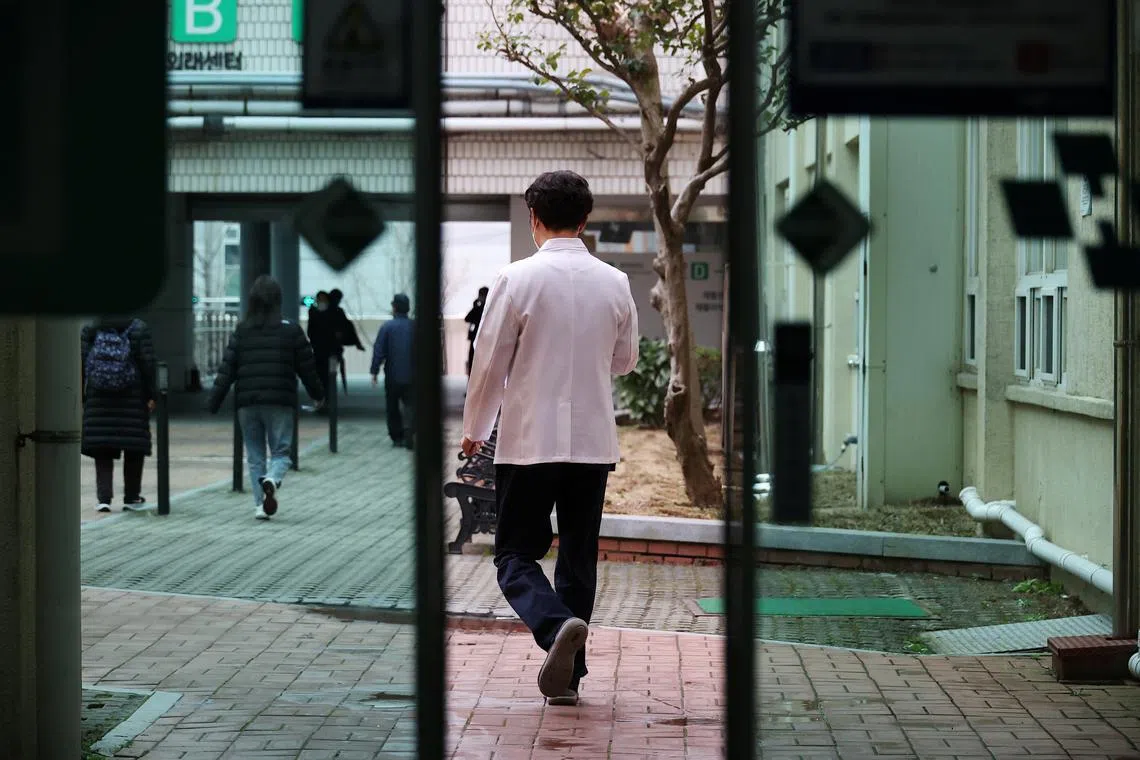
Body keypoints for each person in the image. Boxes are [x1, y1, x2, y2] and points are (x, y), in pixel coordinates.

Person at [461, 170, 639, 706]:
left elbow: (488, 365)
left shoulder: (515, 279)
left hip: (528, 441)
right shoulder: (616, 282)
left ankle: (553, 624)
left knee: (514, 553)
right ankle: (570, 676)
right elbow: (626, 361)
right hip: (592, 444)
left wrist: (474, 431)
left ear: (534, 218)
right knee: (578, 559)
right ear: (585, 219)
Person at [209, 275, 325, 520]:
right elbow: (307, 368)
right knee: (281, 453)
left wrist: (214, 401)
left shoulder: (242, 330)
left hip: (247, 403)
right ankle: (273, 479)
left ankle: (260, 506)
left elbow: (227, 369)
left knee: (254, 456)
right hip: (280, 402)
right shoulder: (291, 330)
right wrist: (318, 395)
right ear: (278, 301)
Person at [81, 316, 158, 512]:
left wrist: (82, 394)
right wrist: (152, 394)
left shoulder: (92, 328)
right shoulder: (138, 328)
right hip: (132, 396)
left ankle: (104, 499)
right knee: (133, 448)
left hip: (99, 397)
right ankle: (131, 497)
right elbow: (147, 364)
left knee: (103, 449)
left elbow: (81, 362)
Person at [371, 293, 415, 449]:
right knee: (411, 404)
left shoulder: (387, 327)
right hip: (412, 376)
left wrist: (374, 371)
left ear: (394, 307)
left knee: (392, 407)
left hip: (393, 376)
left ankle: (397, 436)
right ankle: (410, 430)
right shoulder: (415, 326)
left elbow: (379, 351)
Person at [306, 290, 337, 405]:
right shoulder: (313, 312)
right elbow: (310, 331)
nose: (322, 302)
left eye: (324, 300)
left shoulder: (332, 313)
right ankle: (320, 398)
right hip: (318, 350)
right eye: (320, 300)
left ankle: (327, 399)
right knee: (319, 375)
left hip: (330, 351)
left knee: (329, 377)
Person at [465, 286, 490, 376]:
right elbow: (467, 318)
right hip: (474, 337)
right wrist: (475, 306)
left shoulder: (488, 308)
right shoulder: (477, 308)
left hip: (484, 339)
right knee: (472, 361)